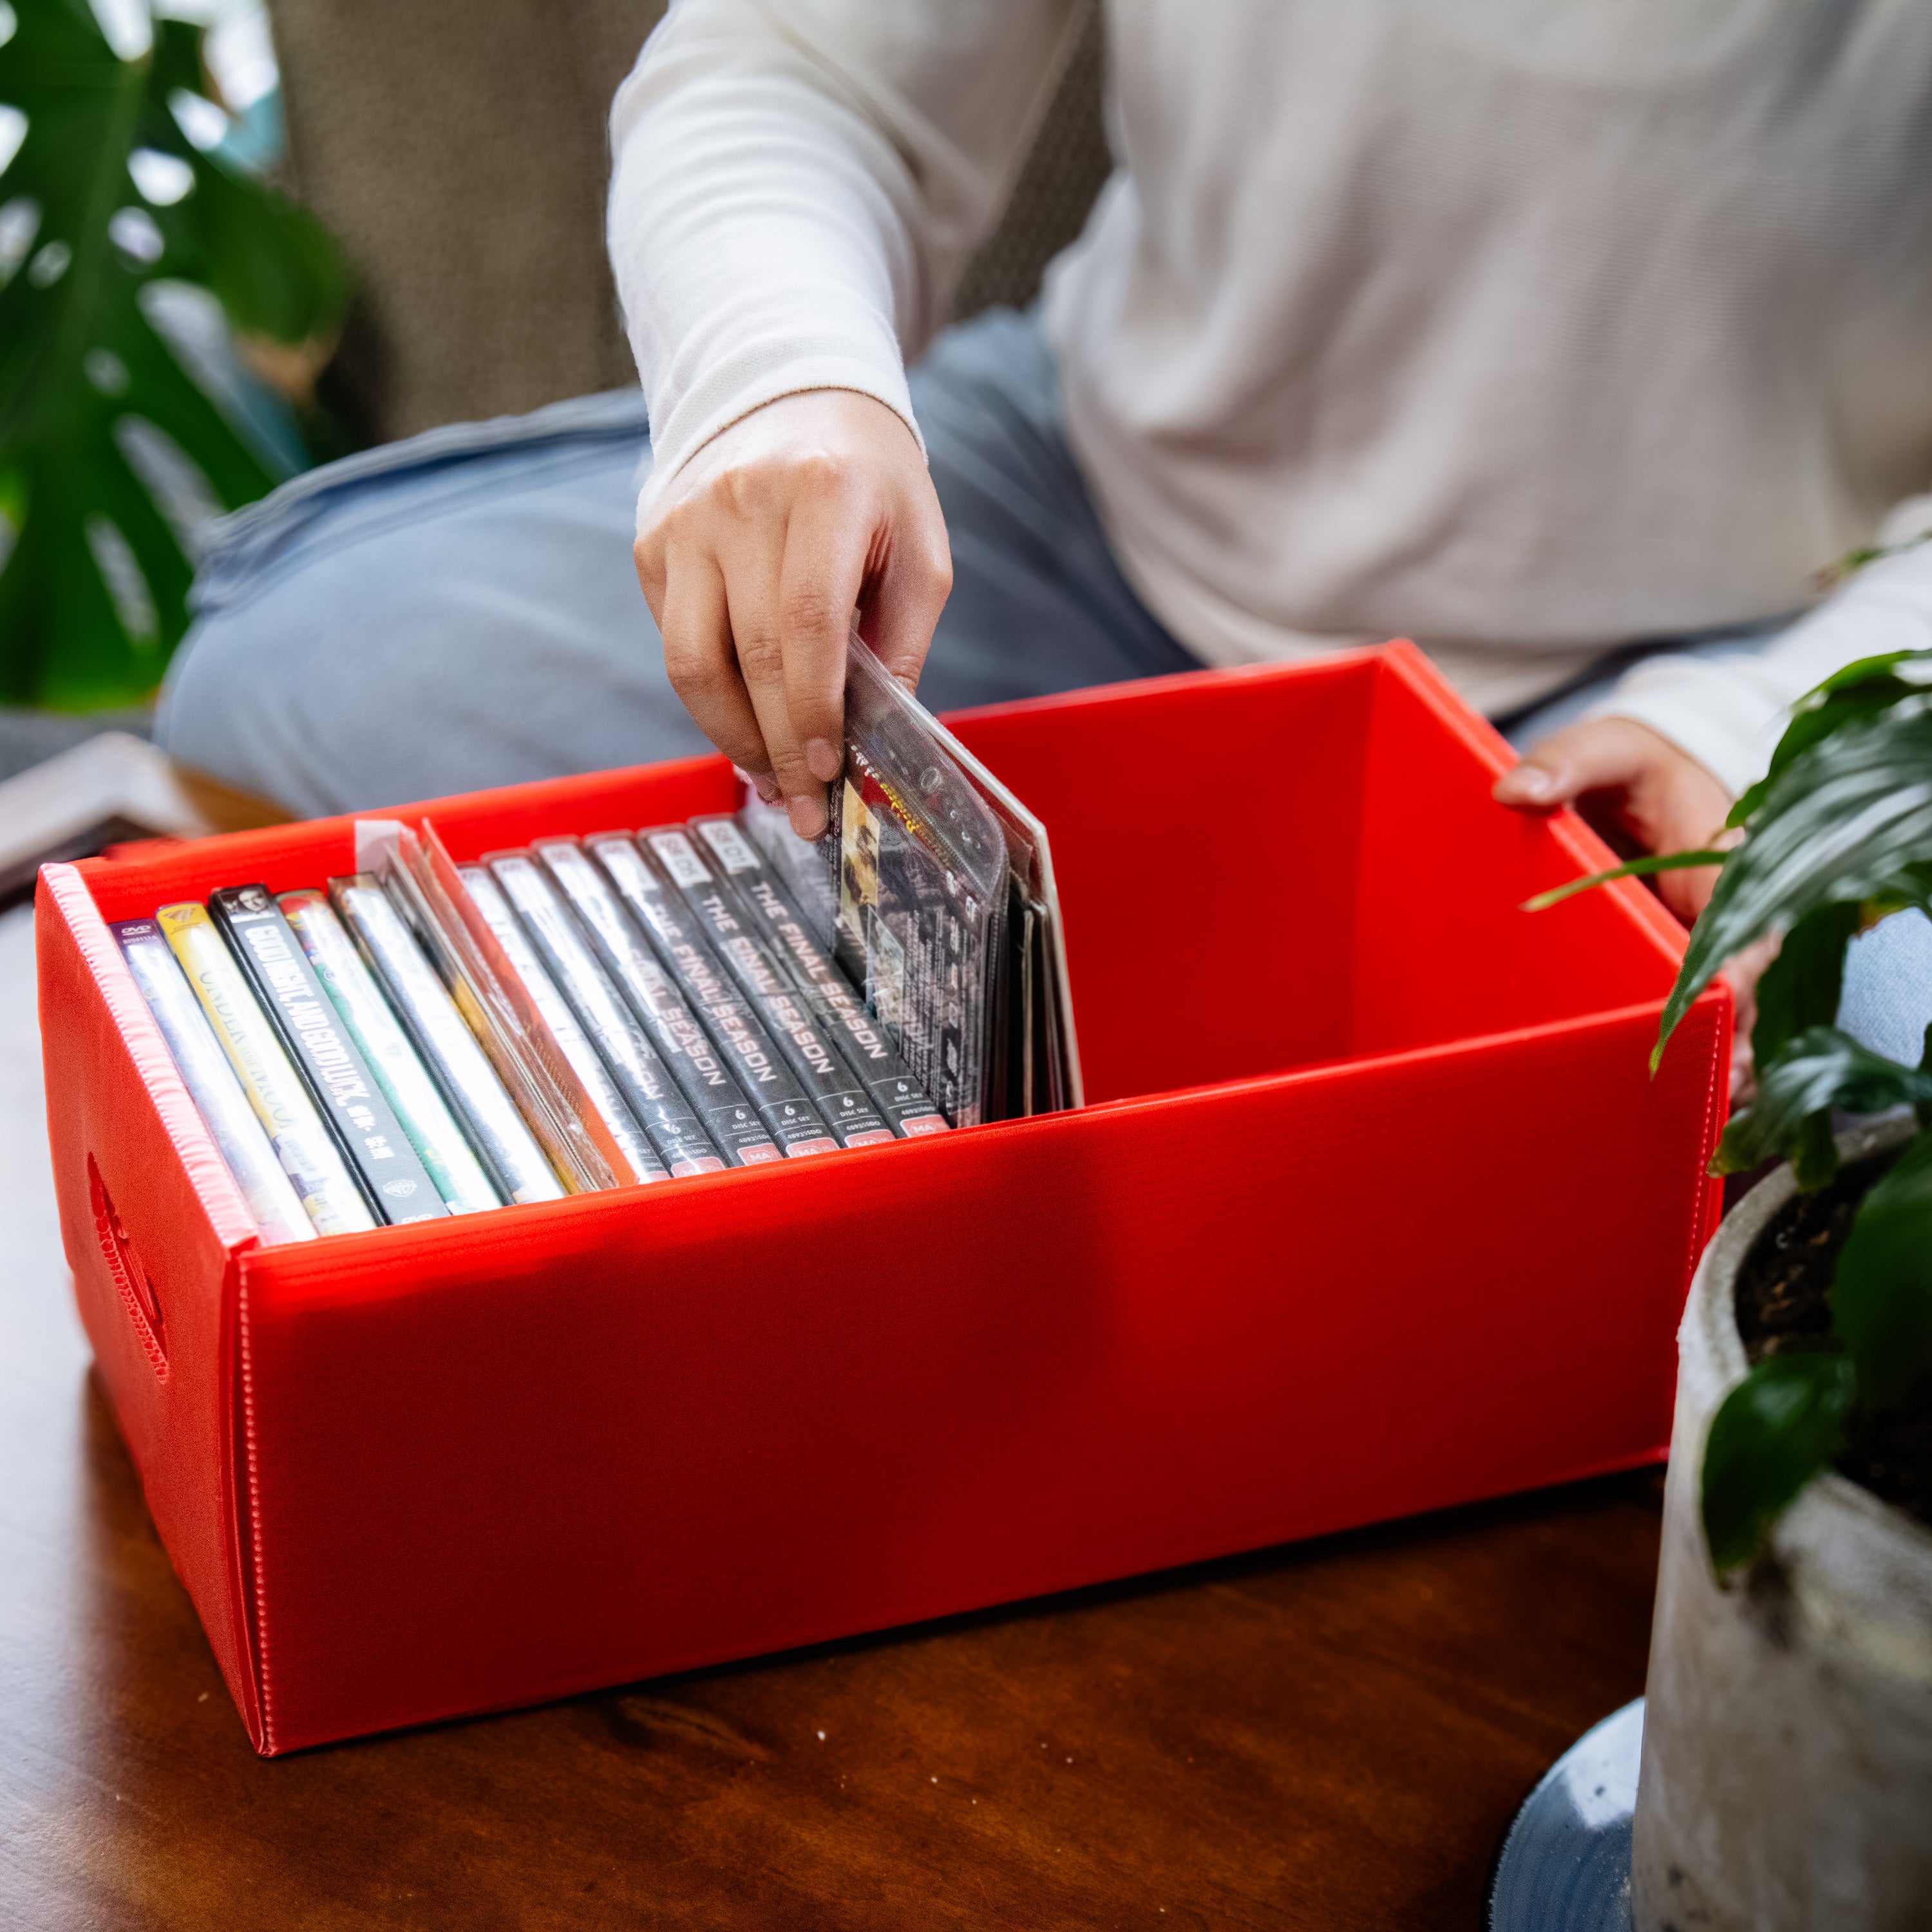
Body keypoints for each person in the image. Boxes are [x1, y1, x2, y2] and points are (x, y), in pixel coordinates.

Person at [160, 0, 1932, 1063]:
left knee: (1833, 1095)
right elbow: (803, 68)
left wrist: (1757, 724)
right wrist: (781, 382)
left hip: (1701, 679)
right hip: (1086, 502)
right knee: (296, 670)